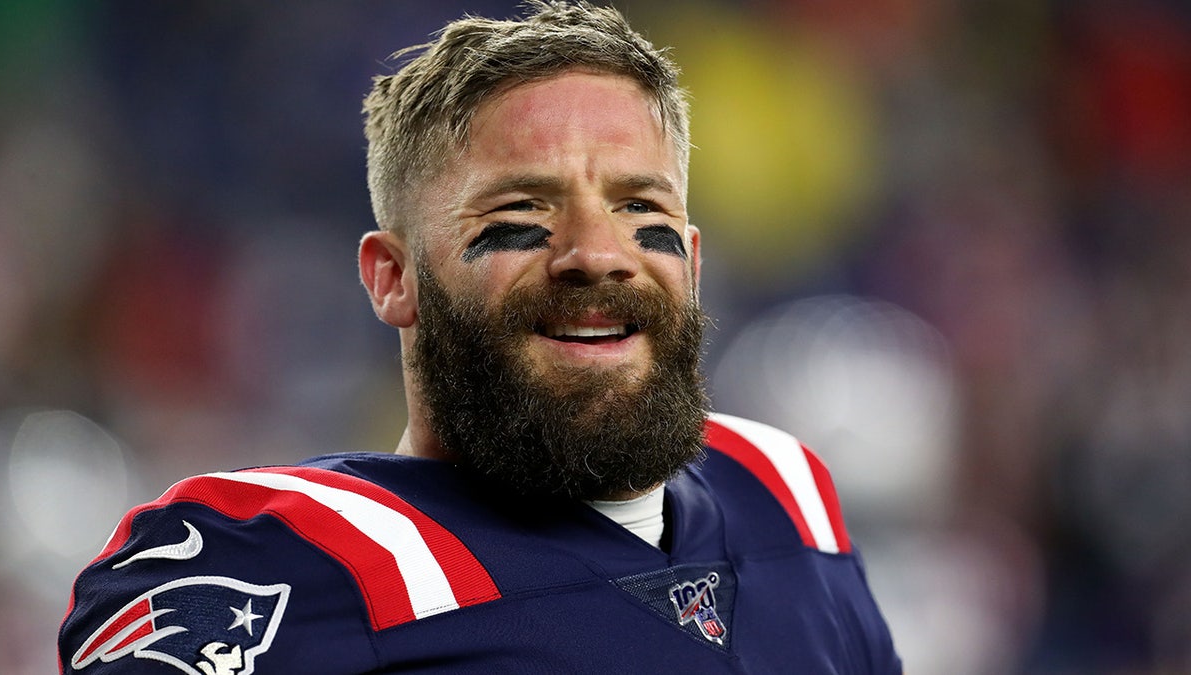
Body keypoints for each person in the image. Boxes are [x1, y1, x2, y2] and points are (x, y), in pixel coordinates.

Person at [58, 2, 901, 672]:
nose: (597, 254)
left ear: (692, 254)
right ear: (393, 278)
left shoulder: (784, 495)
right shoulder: (289, 564)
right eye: (520, 214)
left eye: (641, 207)